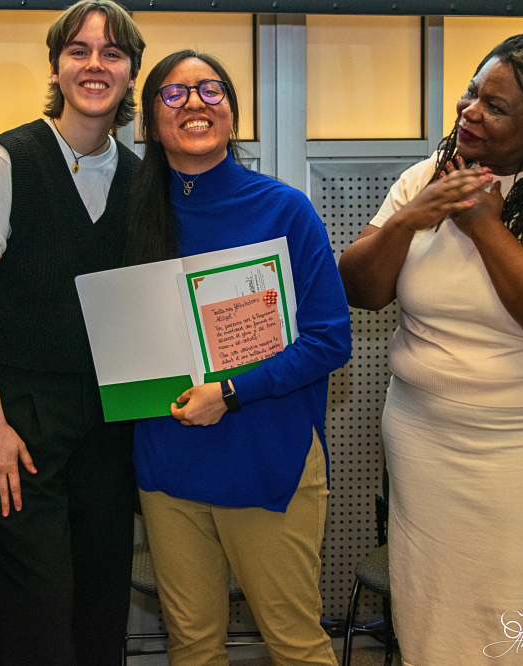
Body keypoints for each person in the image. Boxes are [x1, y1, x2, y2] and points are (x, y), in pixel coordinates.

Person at [338, 32, 523, 666]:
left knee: (522, 607)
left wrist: (485, 226)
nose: (469, 111)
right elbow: (360, 288)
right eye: (471, 94)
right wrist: (412, 217)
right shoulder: (424, 177)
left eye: (495, 106)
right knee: (430, 608)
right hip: (422, 436)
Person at [127, 50, 352, 666]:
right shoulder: (133, 214)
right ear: (150, 122)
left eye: (211, 90)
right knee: (192, 647)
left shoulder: (285, 209)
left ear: (232, 111)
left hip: (266, 458)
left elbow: (330, 339)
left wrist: (229, 393)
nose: (194, 103)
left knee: (295, 644)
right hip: (168, 464)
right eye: (173, 94)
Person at [0, 1, 144, 663]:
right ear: (56, 68)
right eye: (78, 51)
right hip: (17, 425)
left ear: (131, 72)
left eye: (112, 53)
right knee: (39, 622)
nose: (95, 64)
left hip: (107, 428)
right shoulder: (7, 161)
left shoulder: (141, 178)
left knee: (101, 616)